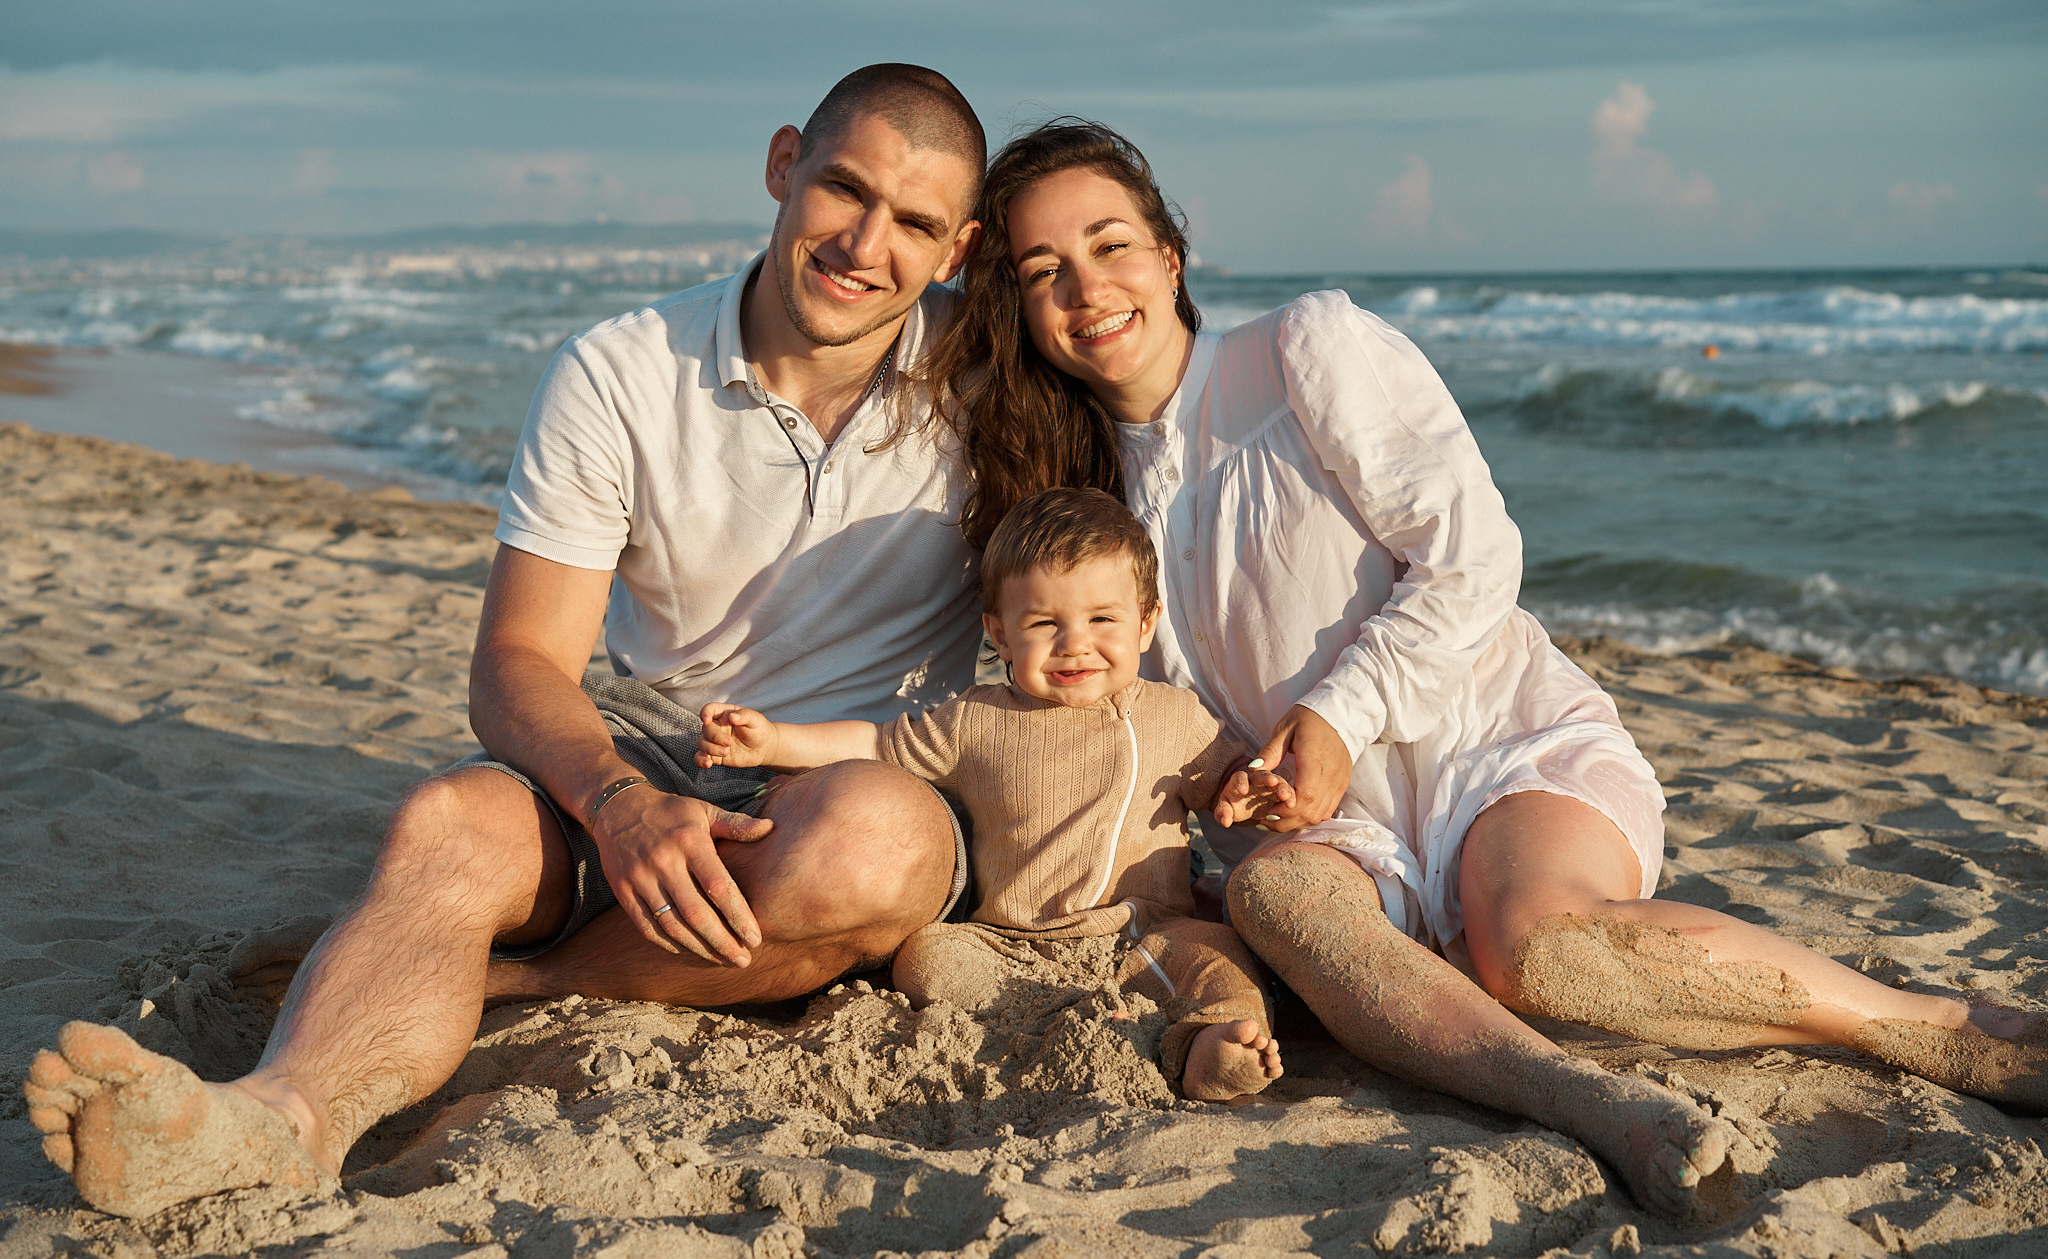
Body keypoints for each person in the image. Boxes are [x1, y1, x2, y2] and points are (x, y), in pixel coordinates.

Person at [926, 117, 2048, 1218]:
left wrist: (1333, 718)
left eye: (1110, 243)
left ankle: (1920, 1025)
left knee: (1529, 949)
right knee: (1275, 896)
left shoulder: (1301, 351)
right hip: (1327, 828)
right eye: (1041, 270)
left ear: (1170, 255)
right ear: (1018, 309)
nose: (1085, 286)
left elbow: (1472, 557)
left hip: (1493, 745)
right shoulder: (1081, 510)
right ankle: (1587, 1101)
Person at [25, 64, 994, 1220]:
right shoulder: (621, 369)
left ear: (957, 248)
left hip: (856, 768)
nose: (863, 243)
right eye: (844, 189)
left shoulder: (996, 389)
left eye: (915, 223)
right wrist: (620, 804)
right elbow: (519, 661)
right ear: (784, 164)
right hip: (650, 736)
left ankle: (494, 978)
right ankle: (277, 1119)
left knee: (869, 854)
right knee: (446, 825)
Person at [697, 486, 1287, 1101]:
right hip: (1010, 944)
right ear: (1000, 635)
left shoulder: (1173, 716)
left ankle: (1207, 1047)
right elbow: (874, 744)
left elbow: (1228, 778)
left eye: (1102, 619)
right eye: (1043, 624)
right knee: (926, 959)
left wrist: (1249, 789)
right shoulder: (975, 722)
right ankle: (1077, 1024)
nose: (1075, 643)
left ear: (1145, 623)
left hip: (1144, 931)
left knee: (1219, 956)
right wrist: (771, 741)